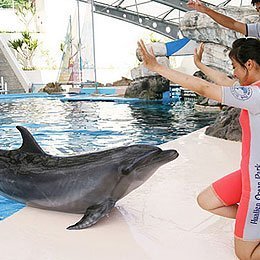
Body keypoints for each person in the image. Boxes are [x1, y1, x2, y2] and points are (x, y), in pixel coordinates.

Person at [138, 37, 260, 259]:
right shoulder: (253, 89)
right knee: (208, 200)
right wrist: (200, 66)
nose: (233, 73)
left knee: (246, 255)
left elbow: (205, 89)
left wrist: (156, 67)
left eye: (235, 67)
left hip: (257, 181)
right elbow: (223, 81)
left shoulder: (256, 95)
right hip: (249, 172)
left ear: (249, 64)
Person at [187, 0, 260, 38]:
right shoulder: (258, 29)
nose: (259, 13)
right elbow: (233, 24)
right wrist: (206, 10)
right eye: (258, 10)